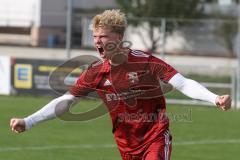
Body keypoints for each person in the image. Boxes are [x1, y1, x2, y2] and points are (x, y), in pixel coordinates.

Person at [10, 9, 231, 160]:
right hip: (125, 145)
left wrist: (214, 98)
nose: (97, 41)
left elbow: (182, 83)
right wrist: (28, 121)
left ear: (119, 37)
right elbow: (66, 102)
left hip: (155, 135)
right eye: (95, 36)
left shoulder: (145, 61)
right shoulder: (95, 72)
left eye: (103, 36)